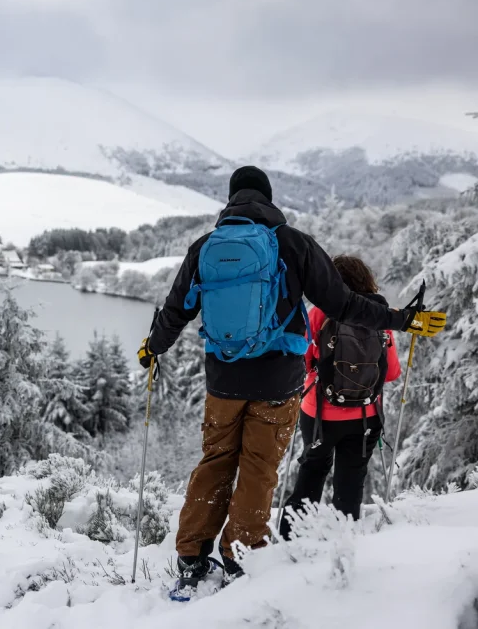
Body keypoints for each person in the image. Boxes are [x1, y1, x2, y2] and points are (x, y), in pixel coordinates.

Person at [137, 165, 446, 597]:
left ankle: (191, 556)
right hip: (278, 382)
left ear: (231, 199)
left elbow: (176, 310)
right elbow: (342, 304)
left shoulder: (205, 247)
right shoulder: (293, 243)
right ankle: (239, 553)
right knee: (259, 468)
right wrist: (398, 320)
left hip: (222, 380)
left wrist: (153, 348)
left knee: (216, 460)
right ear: (268, 197)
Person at [277, 256, 401, 539]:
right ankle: (343, 541)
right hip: (366, 416)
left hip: (319, 414)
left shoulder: (318, 313)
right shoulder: (379, 315)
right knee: (351, 478)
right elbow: (391, 372)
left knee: (312, 471)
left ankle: (290, 538)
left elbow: (302, 363)